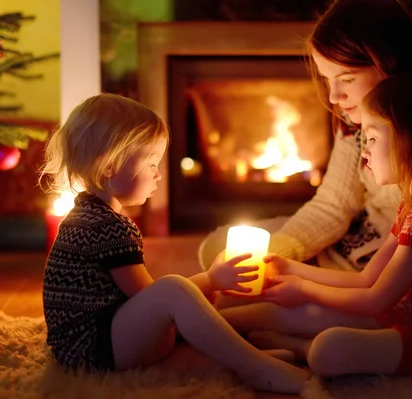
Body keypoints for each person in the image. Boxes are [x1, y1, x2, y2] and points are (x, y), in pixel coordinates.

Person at [199, 0, 412, 357]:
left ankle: (291, 324)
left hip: (410, 269)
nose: (335, 97)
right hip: (360, 249)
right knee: (219, 249)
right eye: (327, 80)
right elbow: (332, 208)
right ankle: (276, 316)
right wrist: (273, 257)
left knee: (337, 313)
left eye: (346, 79)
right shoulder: (356, 118)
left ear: (386, 61)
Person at [220, 71, 412, 376]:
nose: (364, 150)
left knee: (331, 348)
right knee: (324, 311)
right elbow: (367, 278)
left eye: (374, 138)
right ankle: (217, 322)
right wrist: (294, 270)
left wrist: (303, 288)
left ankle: (299, 348)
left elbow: (374, 300)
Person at [38, 93, 308, 394]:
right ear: (109, 167)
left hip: (95, 339)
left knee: (185, 303)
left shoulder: (88, 214)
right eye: (150, 162)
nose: (158, 173)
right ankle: (254, 367)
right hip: (93, 349)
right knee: (173, 291)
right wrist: (212, 280)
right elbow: (154, 297)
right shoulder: (104, 226)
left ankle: (239, 357)